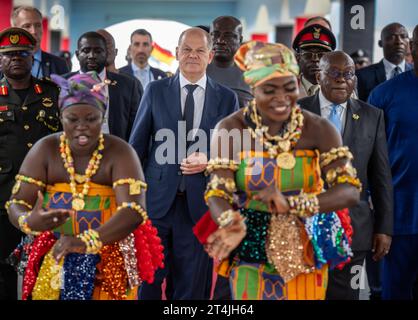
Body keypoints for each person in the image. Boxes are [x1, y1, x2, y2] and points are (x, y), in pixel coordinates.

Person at [193, 41, 360, 300]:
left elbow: (349, 191)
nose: (281, 98)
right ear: (253, 89)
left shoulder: (319, 128)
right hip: (250, 241)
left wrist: (293, 204)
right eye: (269, 90)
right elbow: (217, 191)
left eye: (289, 88)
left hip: (306, 244)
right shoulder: (230, 129)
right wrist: (230, 221)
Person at [6, 72, 163, 300]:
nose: (82, 127)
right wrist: (28, 220)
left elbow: (134, 211)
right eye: (73, 119)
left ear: (103, 117)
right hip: (54, 254)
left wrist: (83, 242)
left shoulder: (120, 152)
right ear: (61, 117)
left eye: (91, 119)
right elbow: (17, 203)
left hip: (108, 259)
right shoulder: (46, 149)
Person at [129, 27, 239, 299]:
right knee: (149, 282)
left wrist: (210, 159)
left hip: (200, 205)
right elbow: (136, 147)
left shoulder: (227, 98)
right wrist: (134, 200)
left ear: (210, 55)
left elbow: (234, 152)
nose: (192, 55)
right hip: (156, 204)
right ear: (176, 53)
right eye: (186, 49)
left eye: (200, 50)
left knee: (191, 285)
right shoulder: (155, 91)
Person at [298, 51, 393, 300]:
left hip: (355, 229)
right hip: (302, 227)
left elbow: (380, 176)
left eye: (349, 74)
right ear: (319, 76)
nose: (342, 80)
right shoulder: (296, 112)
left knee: (347, 296)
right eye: (335, 73)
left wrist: (384, 228)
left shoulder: (372, 115)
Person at [0, 27, 61, 300]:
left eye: (22, 53)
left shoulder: (51, 93)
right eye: (9, 54)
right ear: (1, 60)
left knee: (43, 267)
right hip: (3, 196)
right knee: (3, 268)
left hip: (44, 198)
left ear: (32, 56)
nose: (16, 59)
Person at [367, 25, 418, 300]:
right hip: (399, 216)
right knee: (394, 292)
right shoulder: (383, 94)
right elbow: (371, 156)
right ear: (413, 47)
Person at [65, 31, 142, 141]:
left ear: (106, 54)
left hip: (115, 153)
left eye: (98, 51)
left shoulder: (128, 85)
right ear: (77, 55)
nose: (92, 56)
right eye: (86, 51)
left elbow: (136, 129)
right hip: (72, 153)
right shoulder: (61, 84)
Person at [356, 22, 413, 102]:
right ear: (380, 43)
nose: (399, 41)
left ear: (409, 43)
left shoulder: (415, 72)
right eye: (392, 37)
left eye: (403, 37)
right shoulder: (362, 76)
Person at [10, 6, 69, 78]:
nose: (34, 31)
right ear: (15, 30)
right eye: (27, 26)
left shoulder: (59, 64)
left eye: (38, 25)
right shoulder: (5, 64)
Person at [207, 16, 253, 108]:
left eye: (228, 36)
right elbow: (180, 113)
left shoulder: (253, 75)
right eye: (215, 35)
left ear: (240, 40)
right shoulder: (193, 71)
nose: (220, 40)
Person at [293, 24, 337, 98]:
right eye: (308, 54)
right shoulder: (287, 88)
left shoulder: (341, 89)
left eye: (321, 55)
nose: (315, 59)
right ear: (298, 58)